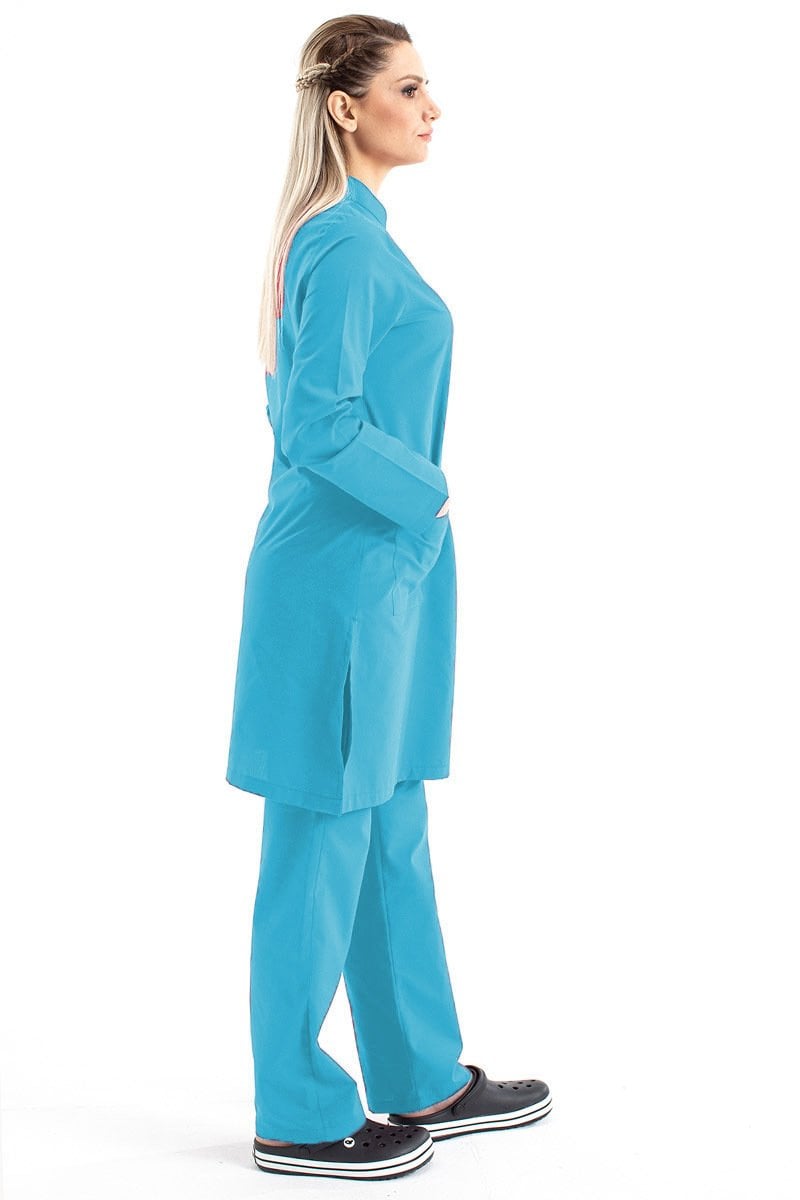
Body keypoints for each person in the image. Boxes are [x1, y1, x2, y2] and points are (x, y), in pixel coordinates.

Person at [224, 14, 552, 1181]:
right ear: (344, 106)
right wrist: (430, 490)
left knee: (387, 830)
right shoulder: (343, 245)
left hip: (381, 577)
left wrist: (415, 519)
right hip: (341, 585)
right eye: (408, 88)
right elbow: (318, 427)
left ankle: (419, 1073)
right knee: (322, 841)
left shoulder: (349, 237)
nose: (431, 107)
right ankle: (297, 1114)